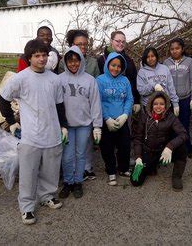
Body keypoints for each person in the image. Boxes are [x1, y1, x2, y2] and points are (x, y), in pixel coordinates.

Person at [0, 39, 68, 225]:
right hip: (31, 136)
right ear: (29, 58)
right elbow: (3, 99)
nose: (42, 59)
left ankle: (48, 196)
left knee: (51, 170)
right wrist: (11, 122)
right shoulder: (20, 79)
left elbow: (60, 104)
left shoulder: (54, 79)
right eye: (37, 56)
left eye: (44, 55)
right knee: (28, 173)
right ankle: (27, 207)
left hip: (52, 133)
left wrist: (63, 125)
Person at [58, 46, 103, 199]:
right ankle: (67, 182)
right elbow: (55, 104)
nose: (73, 64)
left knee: (80, 154)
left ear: (81, 61)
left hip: (84, 124)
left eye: (76, 61)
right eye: (70, 61)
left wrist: (97, 126)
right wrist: (59, 124)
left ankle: (78, 182)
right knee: (67, 156)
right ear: (65, 62)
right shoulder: (60, 80)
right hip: (67, 126)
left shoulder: (90, 80)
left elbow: (95, 103)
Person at [130, 91, 188, 191]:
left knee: (182, 149)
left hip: (163, 151)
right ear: (151, 105)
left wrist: (170, 147)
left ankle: (177, 177)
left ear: (166, 105)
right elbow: (138, 138)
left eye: (161, 104)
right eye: (155, 104)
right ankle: (150, 167)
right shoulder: (144, 117)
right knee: (135, 181)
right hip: (147, 152)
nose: (158, 107)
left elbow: (183, 134)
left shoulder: (171, 117)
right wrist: (138, 157)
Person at [96, 52, 133, 186]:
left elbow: (129, 98)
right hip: (106, 121)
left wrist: (125, 115)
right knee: (107, 147)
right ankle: (111, 171)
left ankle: (123, 168)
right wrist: (106, 118)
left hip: (121, 120)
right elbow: (97, 101)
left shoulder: (125, 80)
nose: (115, 68)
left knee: (124, 146)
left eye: (118, 66)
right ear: (107, 64)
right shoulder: (100, 80)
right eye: (113, 65)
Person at [163, 38, 192, 159]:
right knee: (171, 126)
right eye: (172, 49)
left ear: (182, 49)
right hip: (171, 101)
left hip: (185, 99)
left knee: (184, 125)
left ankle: (188, 148)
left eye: (177, 48)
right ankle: (173, 151)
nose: (175, 51)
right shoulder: (166, 63)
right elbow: (164, 82)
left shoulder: (189, 62)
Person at [97, 31, 140, 113]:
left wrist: (136, 100)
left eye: (123, 42)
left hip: (126, 104)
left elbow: (134, 80)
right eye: (118, 41)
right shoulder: (102, 60)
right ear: (111, 41)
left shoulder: (129, 60)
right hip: (107, 106)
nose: (121, 44)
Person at [137, 46, 179, 114]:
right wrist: (153, 86)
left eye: (152, 56)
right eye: (148, 57)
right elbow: (141, 90)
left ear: (156, 56)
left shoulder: (164, 68)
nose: (150, 59)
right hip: (149, 107)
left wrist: (175, 103)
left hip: (165, 105)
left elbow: (170, 87)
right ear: (145, 58)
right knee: (152, 124)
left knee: (166, 124)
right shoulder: (142, 72)